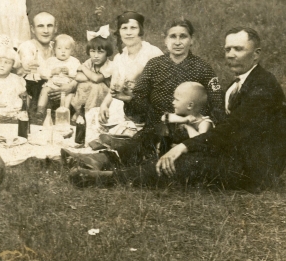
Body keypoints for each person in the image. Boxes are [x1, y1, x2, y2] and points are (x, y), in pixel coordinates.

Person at [67, 27, 286, 193]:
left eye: (239, 49)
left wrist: (186, 144)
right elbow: (222, 123)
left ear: (256, 54)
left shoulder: (262, 86)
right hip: (232, 148)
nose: (231, 54)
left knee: (185, 162)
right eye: (228, 49)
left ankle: (108, 179)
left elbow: (231, 128)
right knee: (159, 129)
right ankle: (103, 159)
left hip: (254, 167)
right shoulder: (236, 83)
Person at [62, 18, 224, 175]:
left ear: (192, 40)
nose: (177, 41)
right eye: (172, 36)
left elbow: (217, 104)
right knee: (139, 143)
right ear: (165, 40)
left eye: (183, 36)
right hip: (157, 125)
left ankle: (108, 166)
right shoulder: (154, 65)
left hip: (188, 129)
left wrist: (205, 130)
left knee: (147, 150)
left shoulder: (202, 68)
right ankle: (95, 160)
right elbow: (139, 107)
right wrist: (129, 99)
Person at [99, 12, 163, 129]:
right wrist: (104, 105)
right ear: (119, 32)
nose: (128, 33)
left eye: (133, 28)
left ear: (140, 31)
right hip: (122, 105)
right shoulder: (119, 58)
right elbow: (113, 89)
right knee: (94, 118)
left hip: (147, 109)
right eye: (124, 28)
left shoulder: (153, 53)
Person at [72, 25, 115, 113]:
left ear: (107, 53)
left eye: (100, 52)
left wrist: (84, 68)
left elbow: (97, 78)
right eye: (92, 51)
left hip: (107, 95)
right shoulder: (89, 62)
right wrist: (91, 77)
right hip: (92, 91)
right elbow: (78, 77)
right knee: (83, 85)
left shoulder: (110, 65)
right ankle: (79, 112)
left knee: (97, 86)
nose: (96, 56)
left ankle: (90, 112)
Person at [18, 12, 57, 107]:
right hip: (33, 89)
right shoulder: (27, 46)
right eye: (40, 26)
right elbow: (34, 70)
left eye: (50, 26)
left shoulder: (57, 47)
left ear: (55, 28)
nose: (46, 30)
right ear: (33, 29)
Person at [36, 34, 81, 115]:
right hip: (52, 85)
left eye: (67, 48)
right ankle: (40, 109)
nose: (63, 51)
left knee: (69, 96)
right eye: (59, 48)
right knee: (44, 90)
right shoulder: (51, 61)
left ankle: (64, 113)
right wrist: (52, 72)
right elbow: (42, 73)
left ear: (71, 50)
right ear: (54, 50)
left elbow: (78, 74)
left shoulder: (74, 61)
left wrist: (69, 72)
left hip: (67, 87)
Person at [160, 82, 213, 149]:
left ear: (190, 105)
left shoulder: (204, 122)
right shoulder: (180, 116)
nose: (173, 102)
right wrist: (184, 120)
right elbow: (164, 118)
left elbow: (199, 142)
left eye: (177, 100)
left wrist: (188, 127)